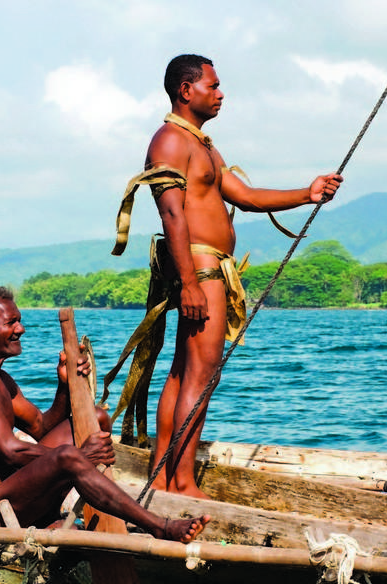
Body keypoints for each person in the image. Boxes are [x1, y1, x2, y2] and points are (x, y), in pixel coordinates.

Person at [118, 54, 343, 498]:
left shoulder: (203, 145)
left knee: (186, 374)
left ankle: (163, 478)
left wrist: (307, 193)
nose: (220, 95)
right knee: (200, 376)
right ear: (186, 90)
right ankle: (180, 482)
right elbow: (173, 217)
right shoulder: (169, 142)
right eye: (212, 86)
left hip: (206, 269)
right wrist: (188, 283)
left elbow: (246, 195)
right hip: (199, 270)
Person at [0, 283, 210, 542]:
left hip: (14, 497)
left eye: (20, 320)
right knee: (68, 456)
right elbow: (11, 451)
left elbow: (41, 427)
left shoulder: (0, 380)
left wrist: (64, 385)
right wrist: (81, 457)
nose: (21, 329)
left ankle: (55, 514)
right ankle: (159, 527)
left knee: (97, 418)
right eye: (11, 322)